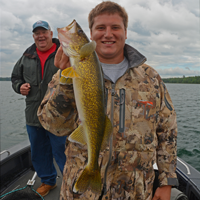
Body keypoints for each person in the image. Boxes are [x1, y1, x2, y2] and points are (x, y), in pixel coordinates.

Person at [41, 1, 178, 199]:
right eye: (100, 28)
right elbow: (53, 125)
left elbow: (168, 132)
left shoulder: (151, 78)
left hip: (136, 192)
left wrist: (167, 183)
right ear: (90, 34)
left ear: (126, 32)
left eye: (115, 27)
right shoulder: (67, 74)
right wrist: (64, 80)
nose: (108, 34)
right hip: (80, 192)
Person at [11, 20, 67, 197]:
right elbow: (15, 78)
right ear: (33, 36)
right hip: (34, 114)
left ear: (51, 34)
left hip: (60, 115)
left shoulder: (64, 51)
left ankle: (70, 183)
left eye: (44, 32)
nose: (41, 36)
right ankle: (48, 181)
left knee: (63, 151)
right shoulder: (26, 56)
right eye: (37, 33)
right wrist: (19, 87)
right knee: (39, 150)